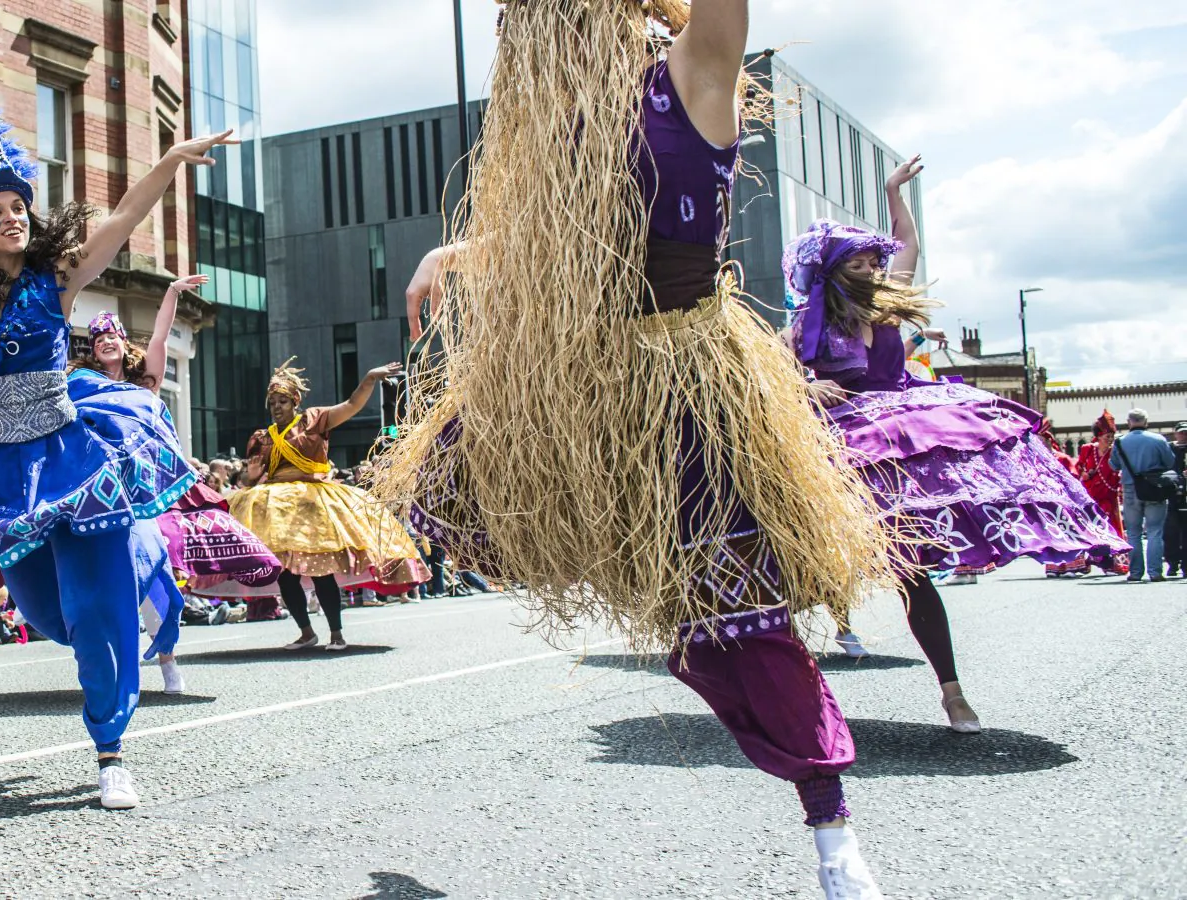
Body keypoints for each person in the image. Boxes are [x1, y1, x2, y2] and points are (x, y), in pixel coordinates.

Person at [371, 4, 899, 896]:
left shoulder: (689, 79)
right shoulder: (563, 134)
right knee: (457, 482)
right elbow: (564, 242)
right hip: (587, 391)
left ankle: (833, 835)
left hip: (689, 389)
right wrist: (453, 252)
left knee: (742, 628)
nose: (553, 37)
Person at [0, 88, 230, 810]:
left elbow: (127, 216)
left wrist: (169, 160)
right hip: (3, 465)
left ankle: (110, 750)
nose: (11, 218)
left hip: (73, 453)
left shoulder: (55, 277)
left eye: (18, 208)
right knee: (45, 610)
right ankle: (138, 565)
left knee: (95, 608)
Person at [784, 197, 1128, 729]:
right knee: (807, 559)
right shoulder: (807, 323)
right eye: (859, 265)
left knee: (913, 572)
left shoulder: (888, 308)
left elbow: (909, 247)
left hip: (905, 436)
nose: (873, 271)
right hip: (844, 443)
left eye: (875, 263)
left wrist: (895, 192)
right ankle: (786, 688)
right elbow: (776, 379)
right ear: (832, 270)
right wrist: (810, 384)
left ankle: (952, 692)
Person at [69, 278, 277, 692]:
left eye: (113, 335)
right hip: (108, 492)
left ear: (125, 343)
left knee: (158, 567)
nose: (106, 341)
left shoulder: (144, 383)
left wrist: (172, 293)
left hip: (150, 489)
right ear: (92, 350)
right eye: (98, 339)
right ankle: (111, 664)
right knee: (112, 578)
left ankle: (168, 661)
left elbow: (161, 336)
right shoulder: (82, 386)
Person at [229, 360, 426, 651]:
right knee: (286, 576)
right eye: (272, 402)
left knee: (321, 571)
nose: (276, 407)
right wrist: (254, 476)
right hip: (277, 510)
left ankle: (336, 633)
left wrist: (369, 379)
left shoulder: (313, 420)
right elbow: (250, 476)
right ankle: (306, 633)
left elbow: (350, 406)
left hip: (314, 505)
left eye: (282, 401)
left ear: (295, 401)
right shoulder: (262, 437)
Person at [1110, 409, 1177, 583]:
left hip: (1131, 489)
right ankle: (1155, 572)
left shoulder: (1120, 442)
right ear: (1146, 421)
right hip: (1155, 488)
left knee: (1133, 533)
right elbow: (1170, 462)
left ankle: (1135, 572)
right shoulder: (1159, 440)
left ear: (1129, 422)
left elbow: (1114, 465)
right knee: (1155, 531)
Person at [1169, 424, 1187, 578]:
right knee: (1171, 531)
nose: (1184, 435)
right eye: (1181, 433)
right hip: (1172, 492)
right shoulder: (1170, 449)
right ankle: (1172, 563)